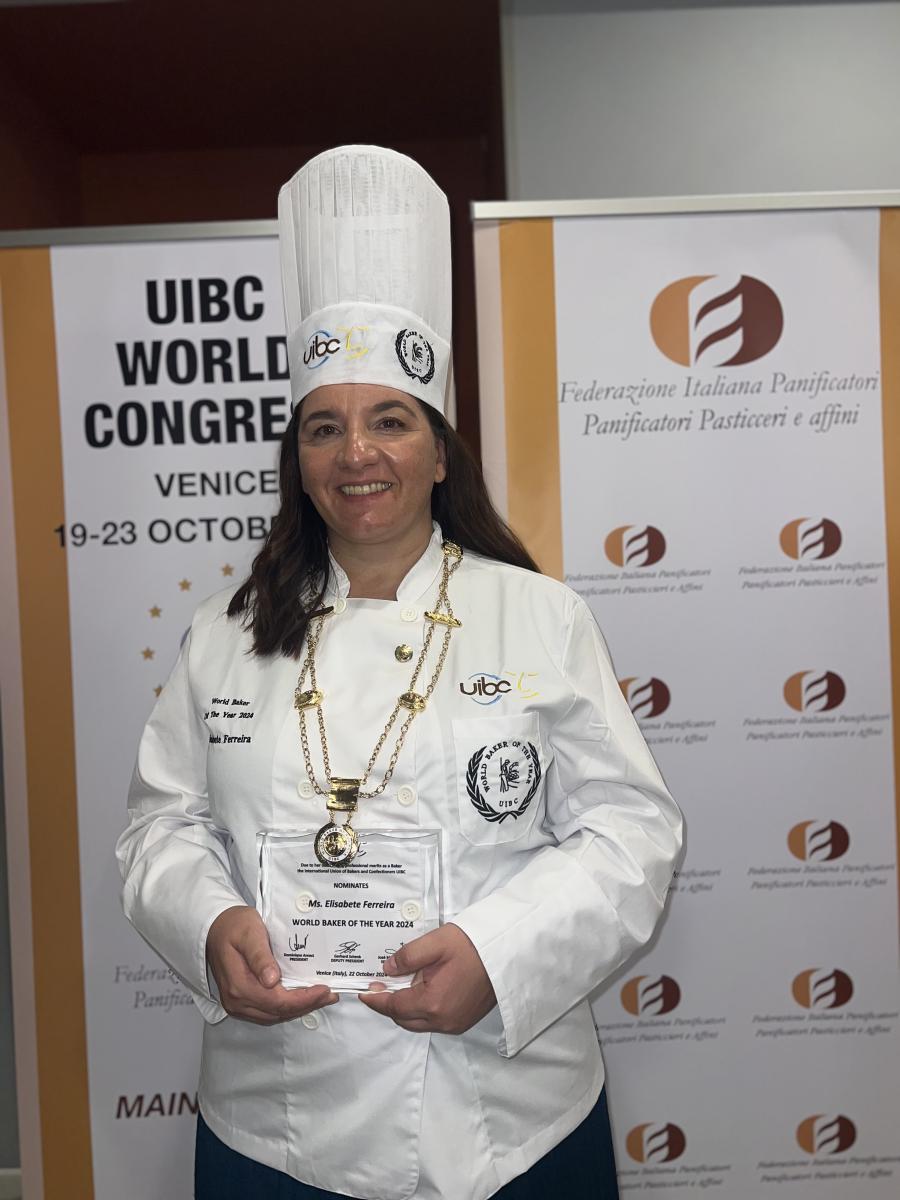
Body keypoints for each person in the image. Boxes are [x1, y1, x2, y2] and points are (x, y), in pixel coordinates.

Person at [117, 145, 683, 1200]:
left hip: (509, 1118)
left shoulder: (539, 617)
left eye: (390, 420)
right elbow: (162, 827)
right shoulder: (223, 635)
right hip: (277, 1125)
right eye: (324, 427)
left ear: (438, 449)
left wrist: (498, 955)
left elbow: (633, 832)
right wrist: (209, 927)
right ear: (298, 460)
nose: (356, 454)